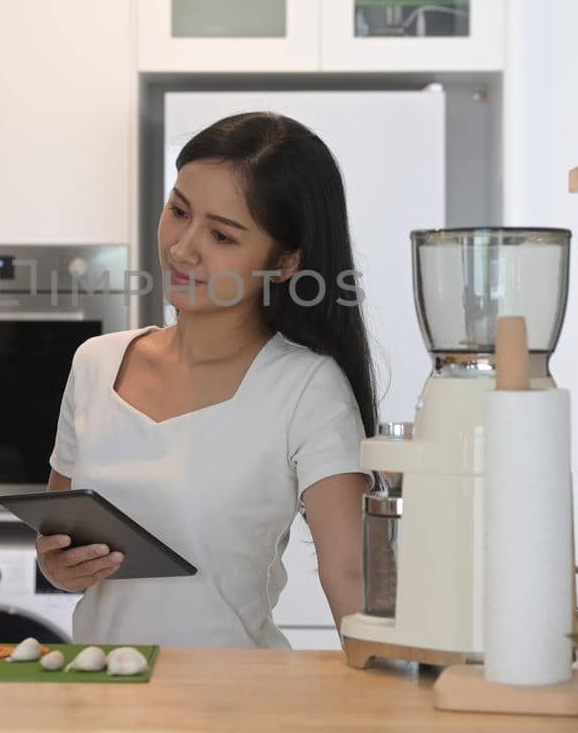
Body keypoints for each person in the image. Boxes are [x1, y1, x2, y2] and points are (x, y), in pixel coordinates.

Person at [36, 112, 375, 648]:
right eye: (178, 211)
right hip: (100, 698)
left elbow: (351, 578)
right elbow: (57, 548)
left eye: (220, 234)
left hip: (233, 705)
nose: (181, 248)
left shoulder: (308, 388)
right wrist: (60, 565)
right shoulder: (96, 363)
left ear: (284, 263)